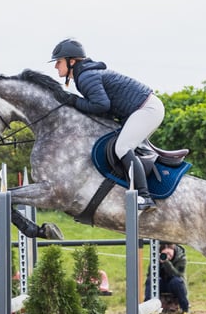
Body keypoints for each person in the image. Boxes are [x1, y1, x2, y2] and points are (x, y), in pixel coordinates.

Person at [50, 38, 164, 211]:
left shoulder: (86, 76)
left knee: (122, 148)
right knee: (120, 145)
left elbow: (101, 105)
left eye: (58, 62)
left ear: (71, 61)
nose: (56, 66)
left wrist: (73, 100)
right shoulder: (84, 75)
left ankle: (144, 196)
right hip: (139, 110)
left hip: (146, 109)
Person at [144, 242, 190, 314]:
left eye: (169, 254)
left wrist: (167, 263)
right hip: (161, 282)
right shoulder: (156, 256)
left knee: (177, 281)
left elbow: (177, 274)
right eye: (165, 254)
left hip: (174, 283)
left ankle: (185, 308)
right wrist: (158, 262)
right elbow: (150, 274)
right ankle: (148, 309)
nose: (168, 256)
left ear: (173, 250)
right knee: (151, 280)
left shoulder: (181, 257)